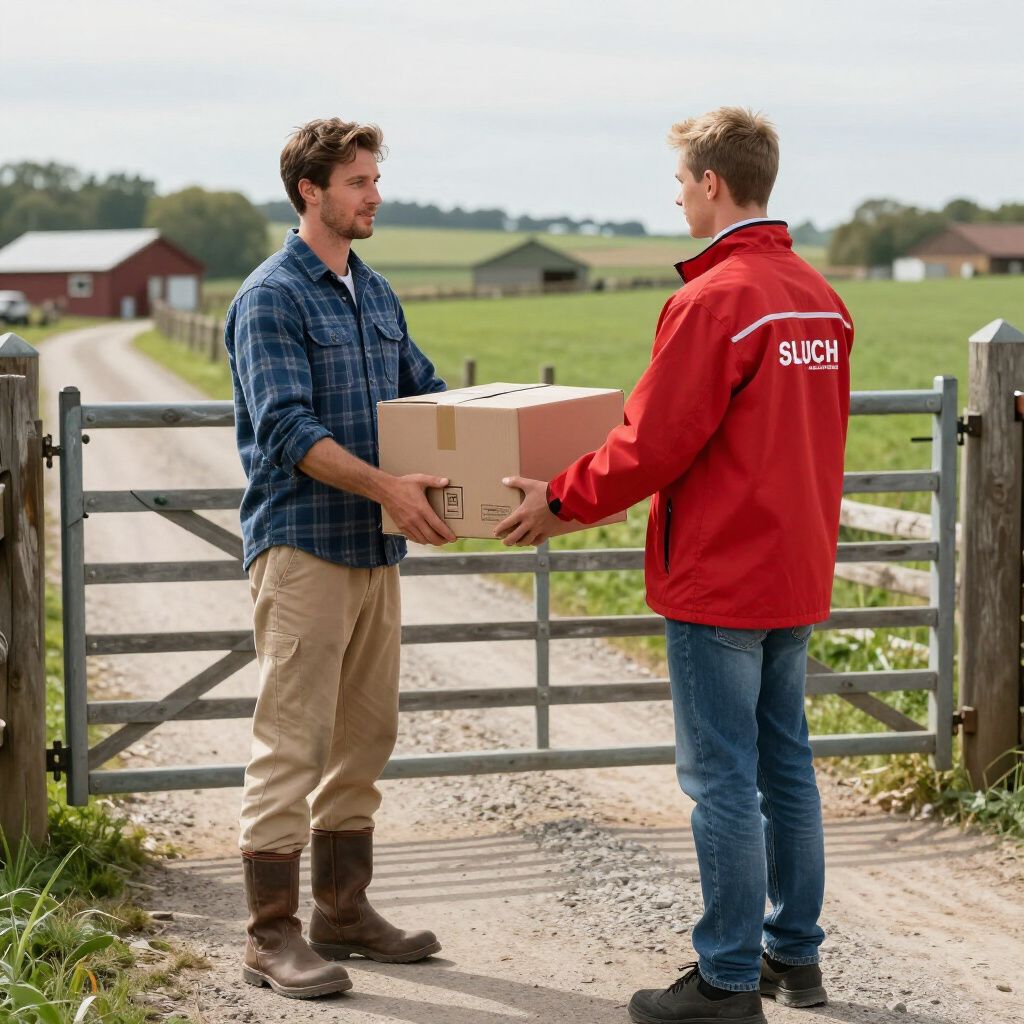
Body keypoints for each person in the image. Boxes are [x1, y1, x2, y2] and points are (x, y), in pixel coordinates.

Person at [496, 107, 853, 1023]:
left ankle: (729, 980)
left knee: (723, 781)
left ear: (712, 184)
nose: (677, 196)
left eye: (681, 181)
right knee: (787, 767)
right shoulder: (820, 297)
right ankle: (794, 959)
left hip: (721, 577)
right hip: (794, 570)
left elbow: (653, 443)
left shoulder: (713, 302)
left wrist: (561, 499)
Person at [225, 117, 455, 1000]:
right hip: (304, 548)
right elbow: (286, 430)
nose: (374, 195)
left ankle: (343, 911)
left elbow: (428, 396)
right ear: (309, 192)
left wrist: (504, 442)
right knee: (293, 742)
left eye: (374, 178)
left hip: (374, 551)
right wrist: (389, 488)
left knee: (365, 737)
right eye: (358, 181)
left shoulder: (375, 292)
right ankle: (269, 935)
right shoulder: (270, 297)